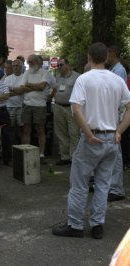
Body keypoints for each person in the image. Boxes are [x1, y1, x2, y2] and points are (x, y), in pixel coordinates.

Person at [52, 42, 130, 240]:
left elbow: (76, 109)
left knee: (79, 184)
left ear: (89, 57)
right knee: (103, 184)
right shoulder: (117, 80)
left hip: (92, 137)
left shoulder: (84, 79)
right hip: (112, 137)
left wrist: (87, 134)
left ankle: (76, 225)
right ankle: (97, 225)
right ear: (106, 58)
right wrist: (119, 131)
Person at [19, 54, 52, 164]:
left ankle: (41, 154)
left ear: (37, 62)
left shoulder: (45, 73)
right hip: (27, 104)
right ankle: (26, 152)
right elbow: (22, 87)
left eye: (31, 62)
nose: (29, 64)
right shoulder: (27, 72)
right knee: (26, 129)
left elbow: (42, 87)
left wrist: (29, 85)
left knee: (40, 130)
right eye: (28, 63)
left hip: (40, 105)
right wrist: (35, 87)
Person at [105, 45, 128, 202]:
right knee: (113, 152)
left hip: (116, 115)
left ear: (112, 54)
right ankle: (112, 186)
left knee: (116, 153)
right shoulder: (115, 69)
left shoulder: (118, 71)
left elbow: (120, 96)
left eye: (107, 54)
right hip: (114, 114)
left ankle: (116, 188)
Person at [53, 58, 80, 165]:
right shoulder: (58, 77)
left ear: (68, 65)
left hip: (71, 108)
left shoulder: (77, 77)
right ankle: (65, 157)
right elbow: (55, 90)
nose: (59, 67)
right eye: (58, 66)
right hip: (59, 106)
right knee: (61, 133)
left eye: (61, 65)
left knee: (74, 132)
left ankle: (74, 157)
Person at [5, 59, 24, 145]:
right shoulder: (7, 79)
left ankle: (22, 146)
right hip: (9, 106)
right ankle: (12, 147)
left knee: (22, 128)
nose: (15, 67)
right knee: (11, 128)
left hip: (21, 106)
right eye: (14, 66)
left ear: (21, 67)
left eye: (17, 66)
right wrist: (18, 91)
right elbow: (6, 93)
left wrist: (11, 89)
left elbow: (22, 91)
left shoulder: (24, 77)